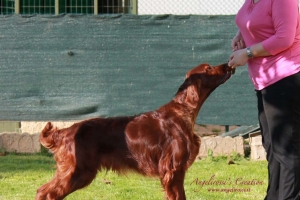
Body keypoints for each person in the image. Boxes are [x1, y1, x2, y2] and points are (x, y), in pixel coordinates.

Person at [228, 0, 300, 199]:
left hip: (286, 78)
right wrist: (241, 35)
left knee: (286, 151)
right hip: (264, 81)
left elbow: (284, 38)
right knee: (272, 149)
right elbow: (254, 21)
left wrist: (248, 53)